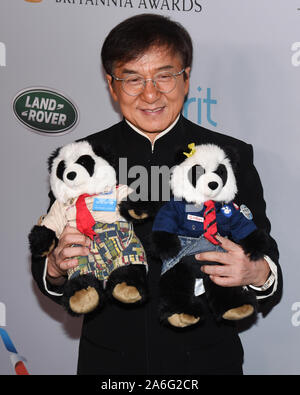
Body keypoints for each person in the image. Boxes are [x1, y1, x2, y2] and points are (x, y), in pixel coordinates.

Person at [31, 13, 282, 375]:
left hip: (207, 362)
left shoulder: (229, 156)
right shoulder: (81, 158)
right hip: (109, 362)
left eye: (165, 75)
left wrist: (257, 271)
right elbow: (49, 262)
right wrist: (55, 267)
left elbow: (267, 258)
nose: (150, 93)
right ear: (112, 84)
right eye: (133, 79)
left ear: (186, 78)